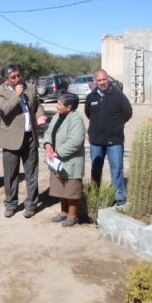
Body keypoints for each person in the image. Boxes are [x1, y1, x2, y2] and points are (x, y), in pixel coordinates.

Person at [0, 64, 46, 218]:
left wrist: (39, 115)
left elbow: (38, 105)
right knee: (11, 175)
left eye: (18, 76)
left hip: (30, 137)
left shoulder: (29, 87)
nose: (17, 79)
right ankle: (10, 204)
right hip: (11, 139)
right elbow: (4, 111)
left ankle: (31, 204)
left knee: (31, 174)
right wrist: (16, 95)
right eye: (13, 77)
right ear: (6, 80)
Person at [85, 69, 133, 206]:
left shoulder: (118, 96)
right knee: (95, 169)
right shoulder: (91, 97)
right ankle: (95, 195)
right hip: (96, 141)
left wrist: (116, 126)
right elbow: (88, 114)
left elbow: (128, 113)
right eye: (99, 80)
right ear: (95, 82)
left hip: (114, 141)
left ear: (108, 79)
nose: (102, 82)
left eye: (104, 79)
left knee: (116, 169)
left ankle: (120, 199)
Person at [44, 92, 86, 227]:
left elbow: (76, 140)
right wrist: (48, 144)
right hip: (57, 160)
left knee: (71, 189)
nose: (57, 106)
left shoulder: (76, 119)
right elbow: (49, 132)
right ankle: (64, 212)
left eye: (60, 104)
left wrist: (59, 152)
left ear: (69, 107)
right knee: (61, 187)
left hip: (70, 161)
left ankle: (73, 215)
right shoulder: (57, 116)